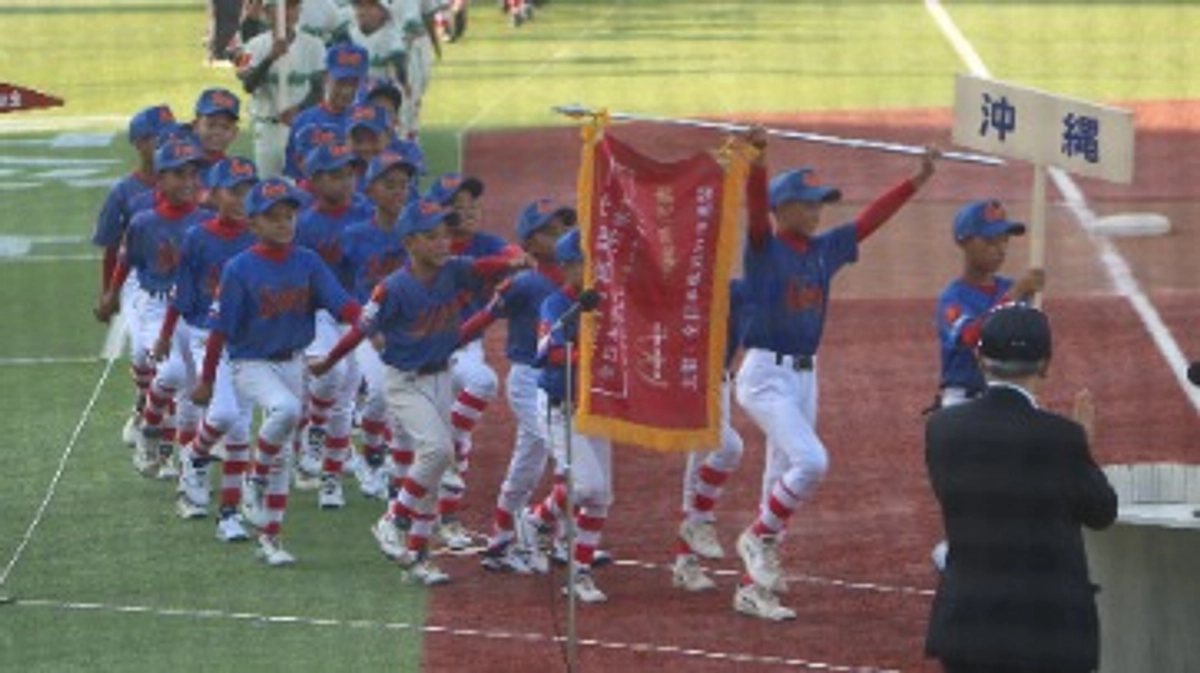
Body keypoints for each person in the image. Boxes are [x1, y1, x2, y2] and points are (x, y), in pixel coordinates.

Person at [732, 128, 938, 621]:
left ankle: (751, 589)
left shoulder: (824, 250)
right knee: (812, 462)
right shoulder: (764, 250)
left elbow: (870, 221)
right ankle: (757, 537)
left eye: (820, 202)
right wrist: (757, 162)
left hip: (806, 376)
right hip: (764, 375)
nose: (817, 210)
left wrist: (917, 180)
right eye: (807, 203)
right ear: (783, 209)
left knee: (779, 475)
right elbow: (754, 210)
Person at [308, 197, 527, 585]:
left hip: (440, 376)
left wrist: (510, 262)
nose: (443, 242)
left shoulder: (454, 270)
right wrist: (328, 361)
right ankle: (393, 520)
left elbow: (480, 266)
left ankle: (418, 557)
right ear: (410, 242)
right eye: (432, 236)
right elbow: (362, 328)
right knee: (438, 451)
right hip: (405, 381)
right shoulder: (391, 288)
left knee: (432, 467)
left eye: (446, 234)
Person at [925, 303, 1117, 673]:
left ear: (981, 360)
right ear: (1045, 364)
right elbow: (1101, 512)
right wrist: (1082, 448)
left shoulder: (942, 428)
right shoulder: (1062, 438)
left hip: (968, 629)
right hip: (1047, 637)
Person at [192, 177, 363, 566]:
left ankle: (271, 538)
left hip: (293, 361)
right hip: (250, 362)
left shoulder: (308, 260)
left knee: (284, 453)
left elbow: (340, 302)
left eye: (289, 216)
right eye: (273, 217)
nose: (284, 223)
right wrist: (205, 379)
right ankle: (253, 478)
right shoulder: (239, 268)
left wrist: (366, 320)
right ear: (253, 224)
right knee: (286, 411)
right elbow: (219, 329)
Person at [929, 199, 1045, 571]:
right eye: (991, 239)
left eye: (1005, 239)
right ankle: (957, 551)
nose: (1001, 247)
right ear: (965, 242)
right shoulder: (952, 298)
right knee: (967, 489)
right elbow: (972, 335)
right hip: (963, 403)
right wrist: (1015, 298)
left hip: (1009, 397)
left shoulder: (1014, 288)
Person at [460, 197, 572, 574]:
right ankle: (538, 532)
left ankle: (502, 541)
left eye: (563, 230)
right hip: (528, 378)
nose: (559, 238)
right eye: (549, 232)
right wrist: (447, 344)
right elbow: (484, 318)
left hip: (563, 379)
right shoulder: (522, 283)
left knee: (531, 460)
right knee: (559, 451)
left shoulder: (577, 281)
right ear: (529, 241)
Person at [94, 139, 210, 480]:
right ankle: (149, 428)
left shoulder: (205, 220)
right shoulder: (144, 221)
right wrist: (111, 294)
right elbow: (126, 261)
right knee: (171, 372)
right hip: (155, 305)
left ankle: (181, 464)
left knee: (192, 390)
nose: (188, 181)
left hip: (194, 308)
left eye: (193, 174)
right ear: (159, 179)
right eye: (178, 174)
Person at [158, 156, 259, 532]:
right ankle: (193, 458)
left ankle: (229, 514)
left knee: (240, 428)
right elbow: (183, 293)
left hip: (250, 343)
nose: (242, 199)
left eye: (249, 191)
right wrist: (166, 333)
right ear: (214, 194)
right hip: (205, 334)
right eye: (234, 191)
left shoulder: (261, 236)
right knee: (223, 415)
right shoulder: (198, 237)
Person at [532, 228, 613, 604]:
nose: (593, 269)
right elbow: (547, 353)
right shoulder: (555, 305)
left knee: (600, 496)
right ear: (566, 267)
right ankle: (537, 518)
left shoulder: (609, 302)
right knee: (589, 487)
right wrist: (587, 359)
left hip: (595, 408)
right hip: (559, 408)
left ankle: (579, 575)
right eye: (584, 262)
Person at [91, 104, 178, 447]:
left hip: (177, 278)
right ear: (140, 143)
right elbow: (112, 246)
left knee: (171, 360)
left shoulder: (186, 183)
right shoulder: (125, 192)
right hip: (136, 279)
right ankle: (145, 405)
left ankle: (156, 419)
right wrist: (108, 294)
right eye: (160, 138)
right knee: (146, 353)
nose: (170, 143)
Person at [672, 278, 747, 592]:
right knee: (728, 446)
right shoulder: (687, 291)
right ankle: (698, 522)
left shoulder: (740, 291)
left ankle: (685, 562)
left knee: (698, 470)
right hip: (693, 383)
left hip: (719, 383)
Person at [236, 0, 326, 178]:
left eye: (292, 7)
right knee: (268, 186)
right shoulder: (253, 46)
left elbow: (320, 88)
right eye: (281, 8)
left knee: (303, 185)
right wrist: (270, 58)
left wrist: (300, 110)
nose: (288, 13)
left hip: (301, 126)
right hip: (267, 128)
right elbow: (247, 84)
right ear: (268, 12)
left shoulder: (315, 46)